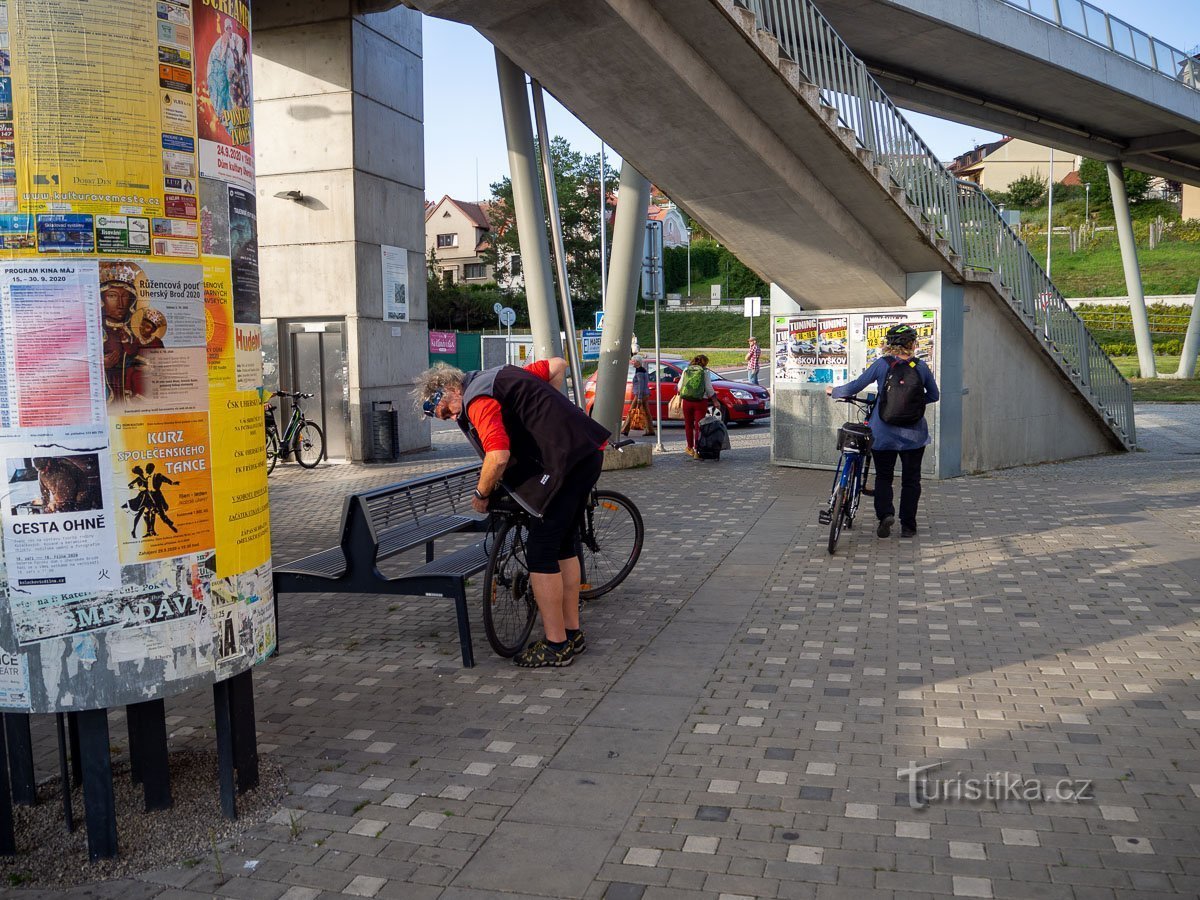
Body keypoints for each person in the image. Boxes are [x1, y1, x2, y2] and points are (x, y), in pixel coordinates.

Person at [416, 358, 610, 668]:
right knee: (564, 544)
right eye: (445, 417)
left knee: (540, 552)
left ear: (452, 388)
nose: (452, 418)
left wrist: (482, 494)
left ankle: (556, 645)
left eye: (447, 410)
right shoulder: (498, 374)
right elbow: (558, 365)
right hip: (586, 453)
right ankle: (572, 633)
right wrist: (543, 417)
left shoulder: (477, 400)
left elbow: (498, 455)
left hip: (565, 465)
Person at [827, 324, 939, 538]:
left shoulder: (882, 364)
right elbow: (934, 395)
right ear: (911, 344)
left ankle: (886, 515)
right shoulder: (921, 366)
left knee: (884, 477)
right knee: (911, 480)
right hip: (914, 436)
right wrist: (915, 403)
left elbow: (855, 386)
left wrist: (834, 391)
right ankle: (908, 526)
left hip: (883, 434)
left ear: (889, 344)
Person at [678, 354, 718, 459]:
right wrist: (714, 399)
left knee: (688, 424)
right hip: (700, 401)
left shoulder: (686, 370)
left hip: (687, 401)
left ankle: (689, 447)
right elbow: (709, 388)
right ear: (705, 363)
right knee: (699, 426)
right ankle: (697, 450)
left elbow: (679, 386)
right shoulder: (705, 372)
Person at [621, 354, 654, 437]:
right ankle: (650, 430)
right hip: (645, 394)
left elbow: (640, 385)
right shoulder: (643, 370)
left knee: (632, 411)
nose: (632, 362)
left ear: (638, 362)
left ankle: (625, 429)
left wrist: (639, 398)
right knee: (646, 413)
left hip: (640, 395)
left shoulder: (639, 372)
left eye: (633, 361)